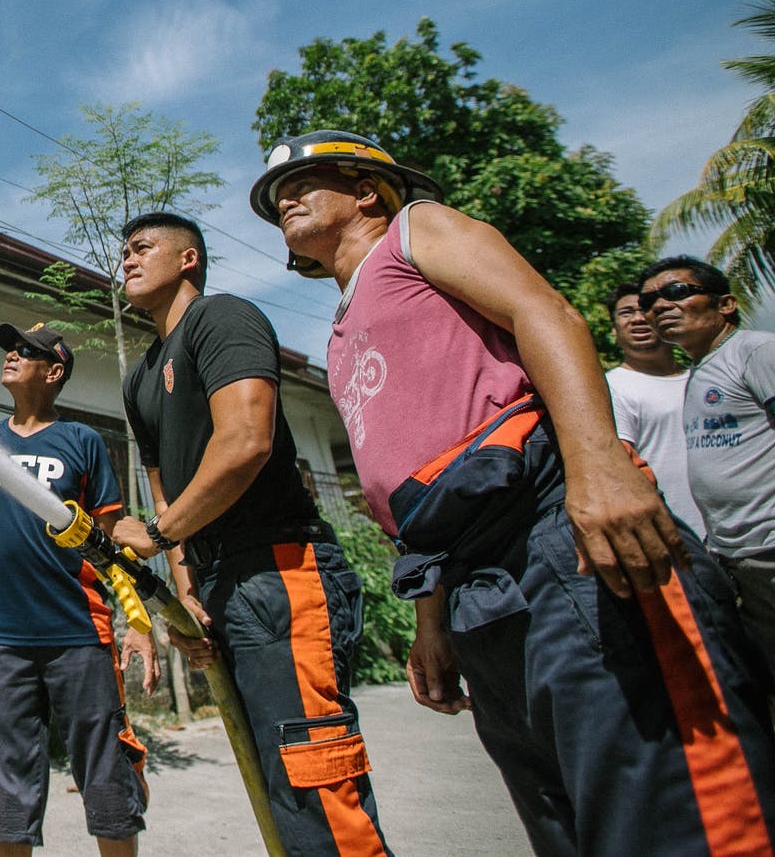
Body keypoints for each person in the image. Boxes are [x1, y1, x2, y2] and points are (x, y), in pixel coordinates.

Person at [252, 129, 775, 856]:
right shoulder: (341, 331)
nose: (286, 200)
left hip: (556, 533)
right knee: (559, 811)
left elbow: (545, 311)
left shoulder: (416, 230)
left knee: (667, 804)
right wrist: (430, 621)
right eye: (278, 197)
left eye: (304, 183)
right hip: (471, 581)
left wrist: (598, 466)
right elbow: (411, 481)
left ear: (367, 188)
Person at [104, 212, 391, 857]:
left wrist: (158, 532)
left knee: (316, 789)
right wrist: (186, 598)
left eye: (143, 247)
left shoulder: (222, 319)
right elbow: (164, 488)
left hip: (280, 573)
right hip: (219, 583)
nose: (127, 258)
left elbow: (246, 442)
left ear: (189, 261)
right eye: (123, 251)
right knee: (279, 794)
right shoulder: (141, 377)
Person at [0, 322, 152, 857]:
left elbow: (112, 537)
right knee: (3, 786)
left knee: (107, 775)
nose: (12, 355)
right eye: (10, 348)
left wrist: (140, 623)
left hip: (79, 633)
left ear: (53, 371)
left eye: (27, 351)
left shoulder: (82, 442)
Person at [641, 254, 775, 670]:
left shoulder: (755, 351)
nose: (660, 306)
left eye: (677, 292)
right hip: (737, 556)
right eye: (649, 302)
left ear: (726, 304)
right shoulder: (700, 371)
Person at [605, 282, 702, 532]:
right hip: (673, 536)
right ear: (614, 330)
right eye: (626, 313)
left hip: (743, 536)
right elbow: (618, 470)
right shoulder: (607, 388)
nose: (637, 318)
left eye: (645, 310)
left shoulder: (706, 377)